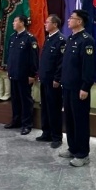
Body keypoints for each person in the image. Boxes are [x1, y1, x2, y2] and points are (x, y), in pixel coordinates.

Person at [58, 9, 96, 167]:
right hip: (67, 86)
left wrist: (85, 87)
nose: (68, 20)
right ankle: (72, 148)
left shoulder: (86, 40)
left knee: (80, 121)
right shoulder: (71, 38)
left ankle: (82, 154)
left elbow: (88, 67)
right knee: (70, 119)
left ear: (79, 21)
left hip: (79, 88)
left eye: (72, 18)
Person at [3, 15, 39, 135]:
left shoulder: (30, 38)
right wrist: (9, 70)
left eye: (15, 21)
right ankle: (16, 120)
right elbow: (10, 56)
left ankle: (27, 124)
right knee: (15, 99)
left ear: (22, 23)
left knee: (25, 100)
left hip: (24, 75)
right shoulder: (13, 37)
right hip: (14, 73)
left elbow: (34, 58)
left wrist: (32, 74)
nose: (13, 23)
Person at [36, 14, 67, 148]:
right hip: (45, 79)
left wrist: (57, 78)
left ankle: (56, 137)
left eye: (47, 22)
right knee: (45, 108)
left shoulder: (61, 40)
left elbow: (61, 62)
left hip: (54, 81)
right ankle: (46, 133)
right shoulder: (48, 38)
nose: (45, 24)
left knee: (54, 109)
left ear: (55, 24)